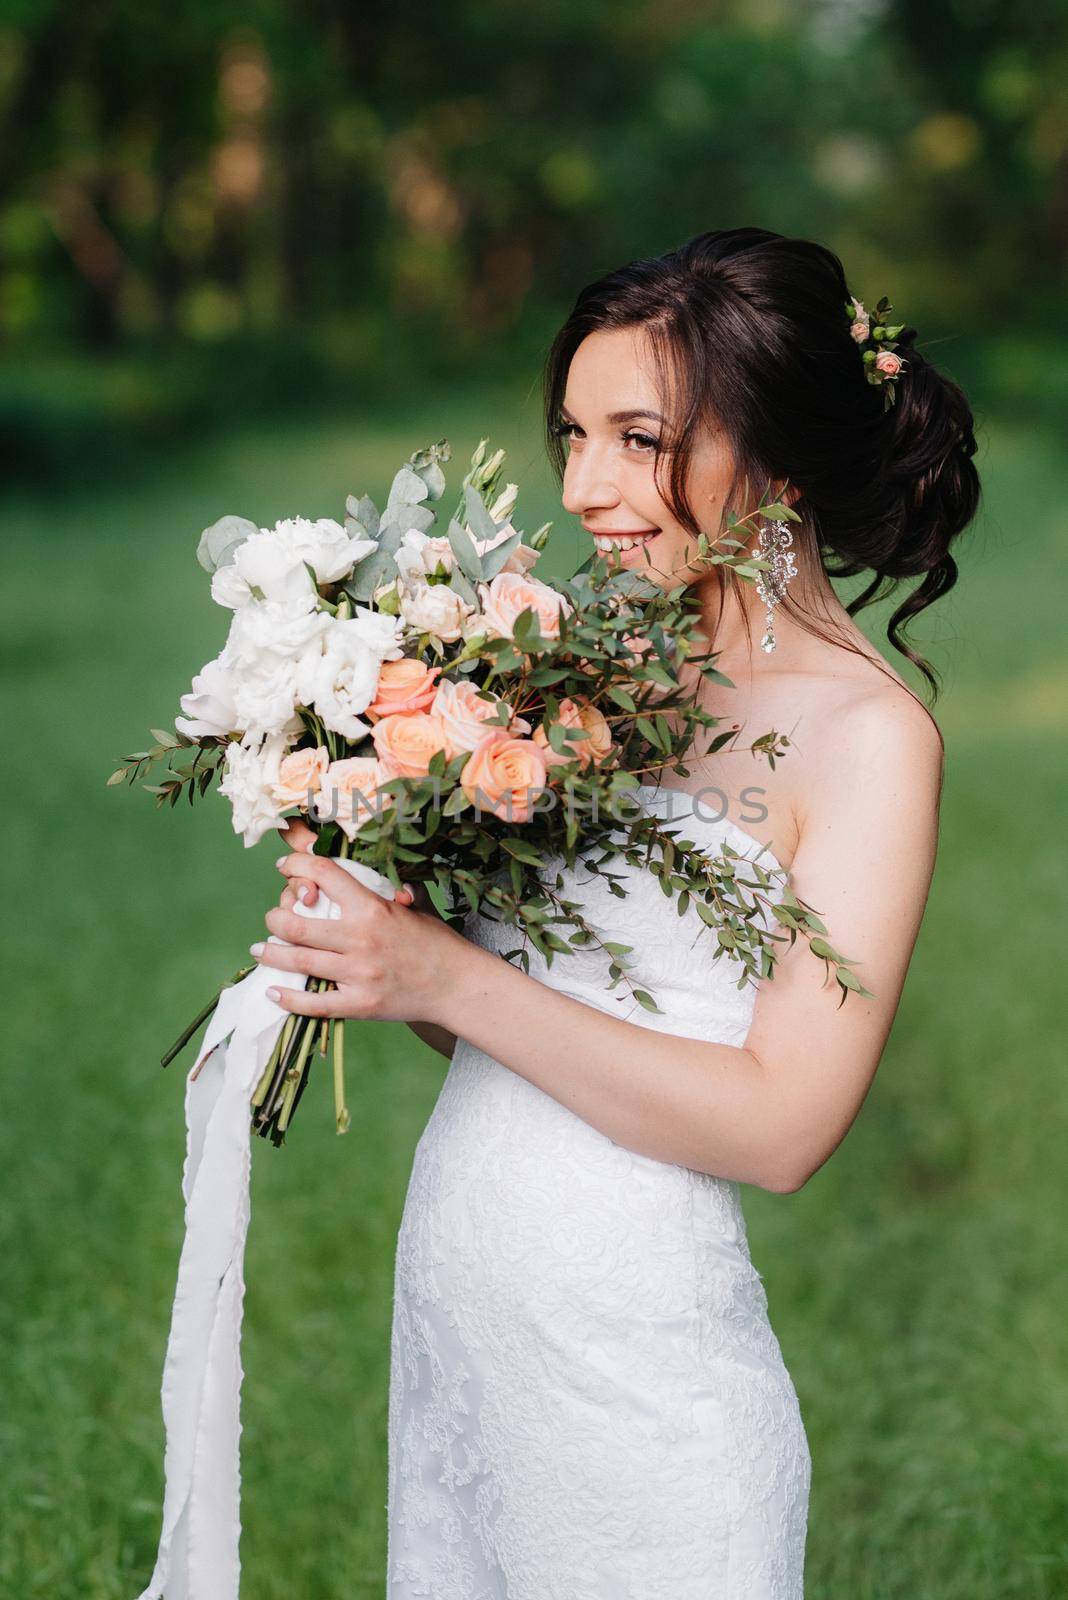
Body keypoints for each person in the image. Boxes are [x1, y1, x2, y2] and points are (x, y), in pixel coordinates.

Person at [258, 227, 981, 1597]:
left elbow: (781, 1125)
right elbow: (522, 1030)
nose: (585, 487)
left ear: (778, 457)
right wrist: (382, 919)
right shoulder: (601, 683)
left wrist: (446, 980)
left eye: (639, 439)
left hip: (646, 1390)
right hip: (471, 1337)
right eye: (572, 433)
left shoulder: (866, 738)